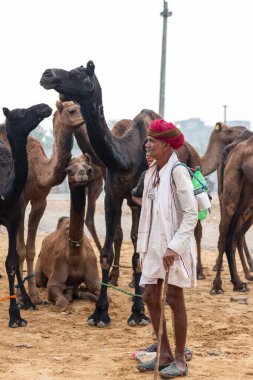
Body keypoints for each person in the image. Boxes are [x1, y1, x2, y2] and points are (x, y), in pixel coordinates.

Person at [136, 119, 198, 379]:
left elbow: (191, 213)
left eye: (152, 141)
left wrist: (174, 246)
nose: (147, 144)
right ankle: (163, 353)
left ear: (166, 145)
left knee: (174, 299)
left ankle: (181, 359)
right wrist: (142, 248)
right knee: (150, 296)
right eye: (148, 140)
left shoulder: (178, 172)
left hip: (175, 247)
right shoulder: (152, 172)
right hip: (152, 246)